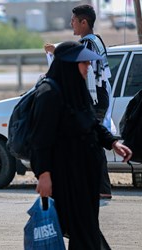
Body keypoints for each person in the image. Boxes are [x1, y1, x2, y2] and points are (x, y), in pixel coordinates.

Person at [32, 41, 132, 249]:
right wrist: (44, 175)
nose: (88, 67)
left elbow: (91, 122)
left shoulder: (77, 89)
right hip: (66, 176)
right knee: (83, 230)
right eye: (84, 63)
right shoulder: (49, 93)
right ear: (69, 64)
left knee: (85, 229)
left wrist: (112, 142)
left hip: (85, 175)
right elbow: (41, 139)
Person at [44, 4, 114, 200]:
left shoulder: (89, 43)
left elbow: (77, 61)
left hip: (94, 99)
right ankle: (98, 187)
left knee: (92, 143)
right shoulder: (94, 40)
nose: (71, 24)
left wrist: (55, 50)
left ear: (84, 22)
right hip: (98, 99)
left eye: (74, 20)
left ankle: (100, 187)